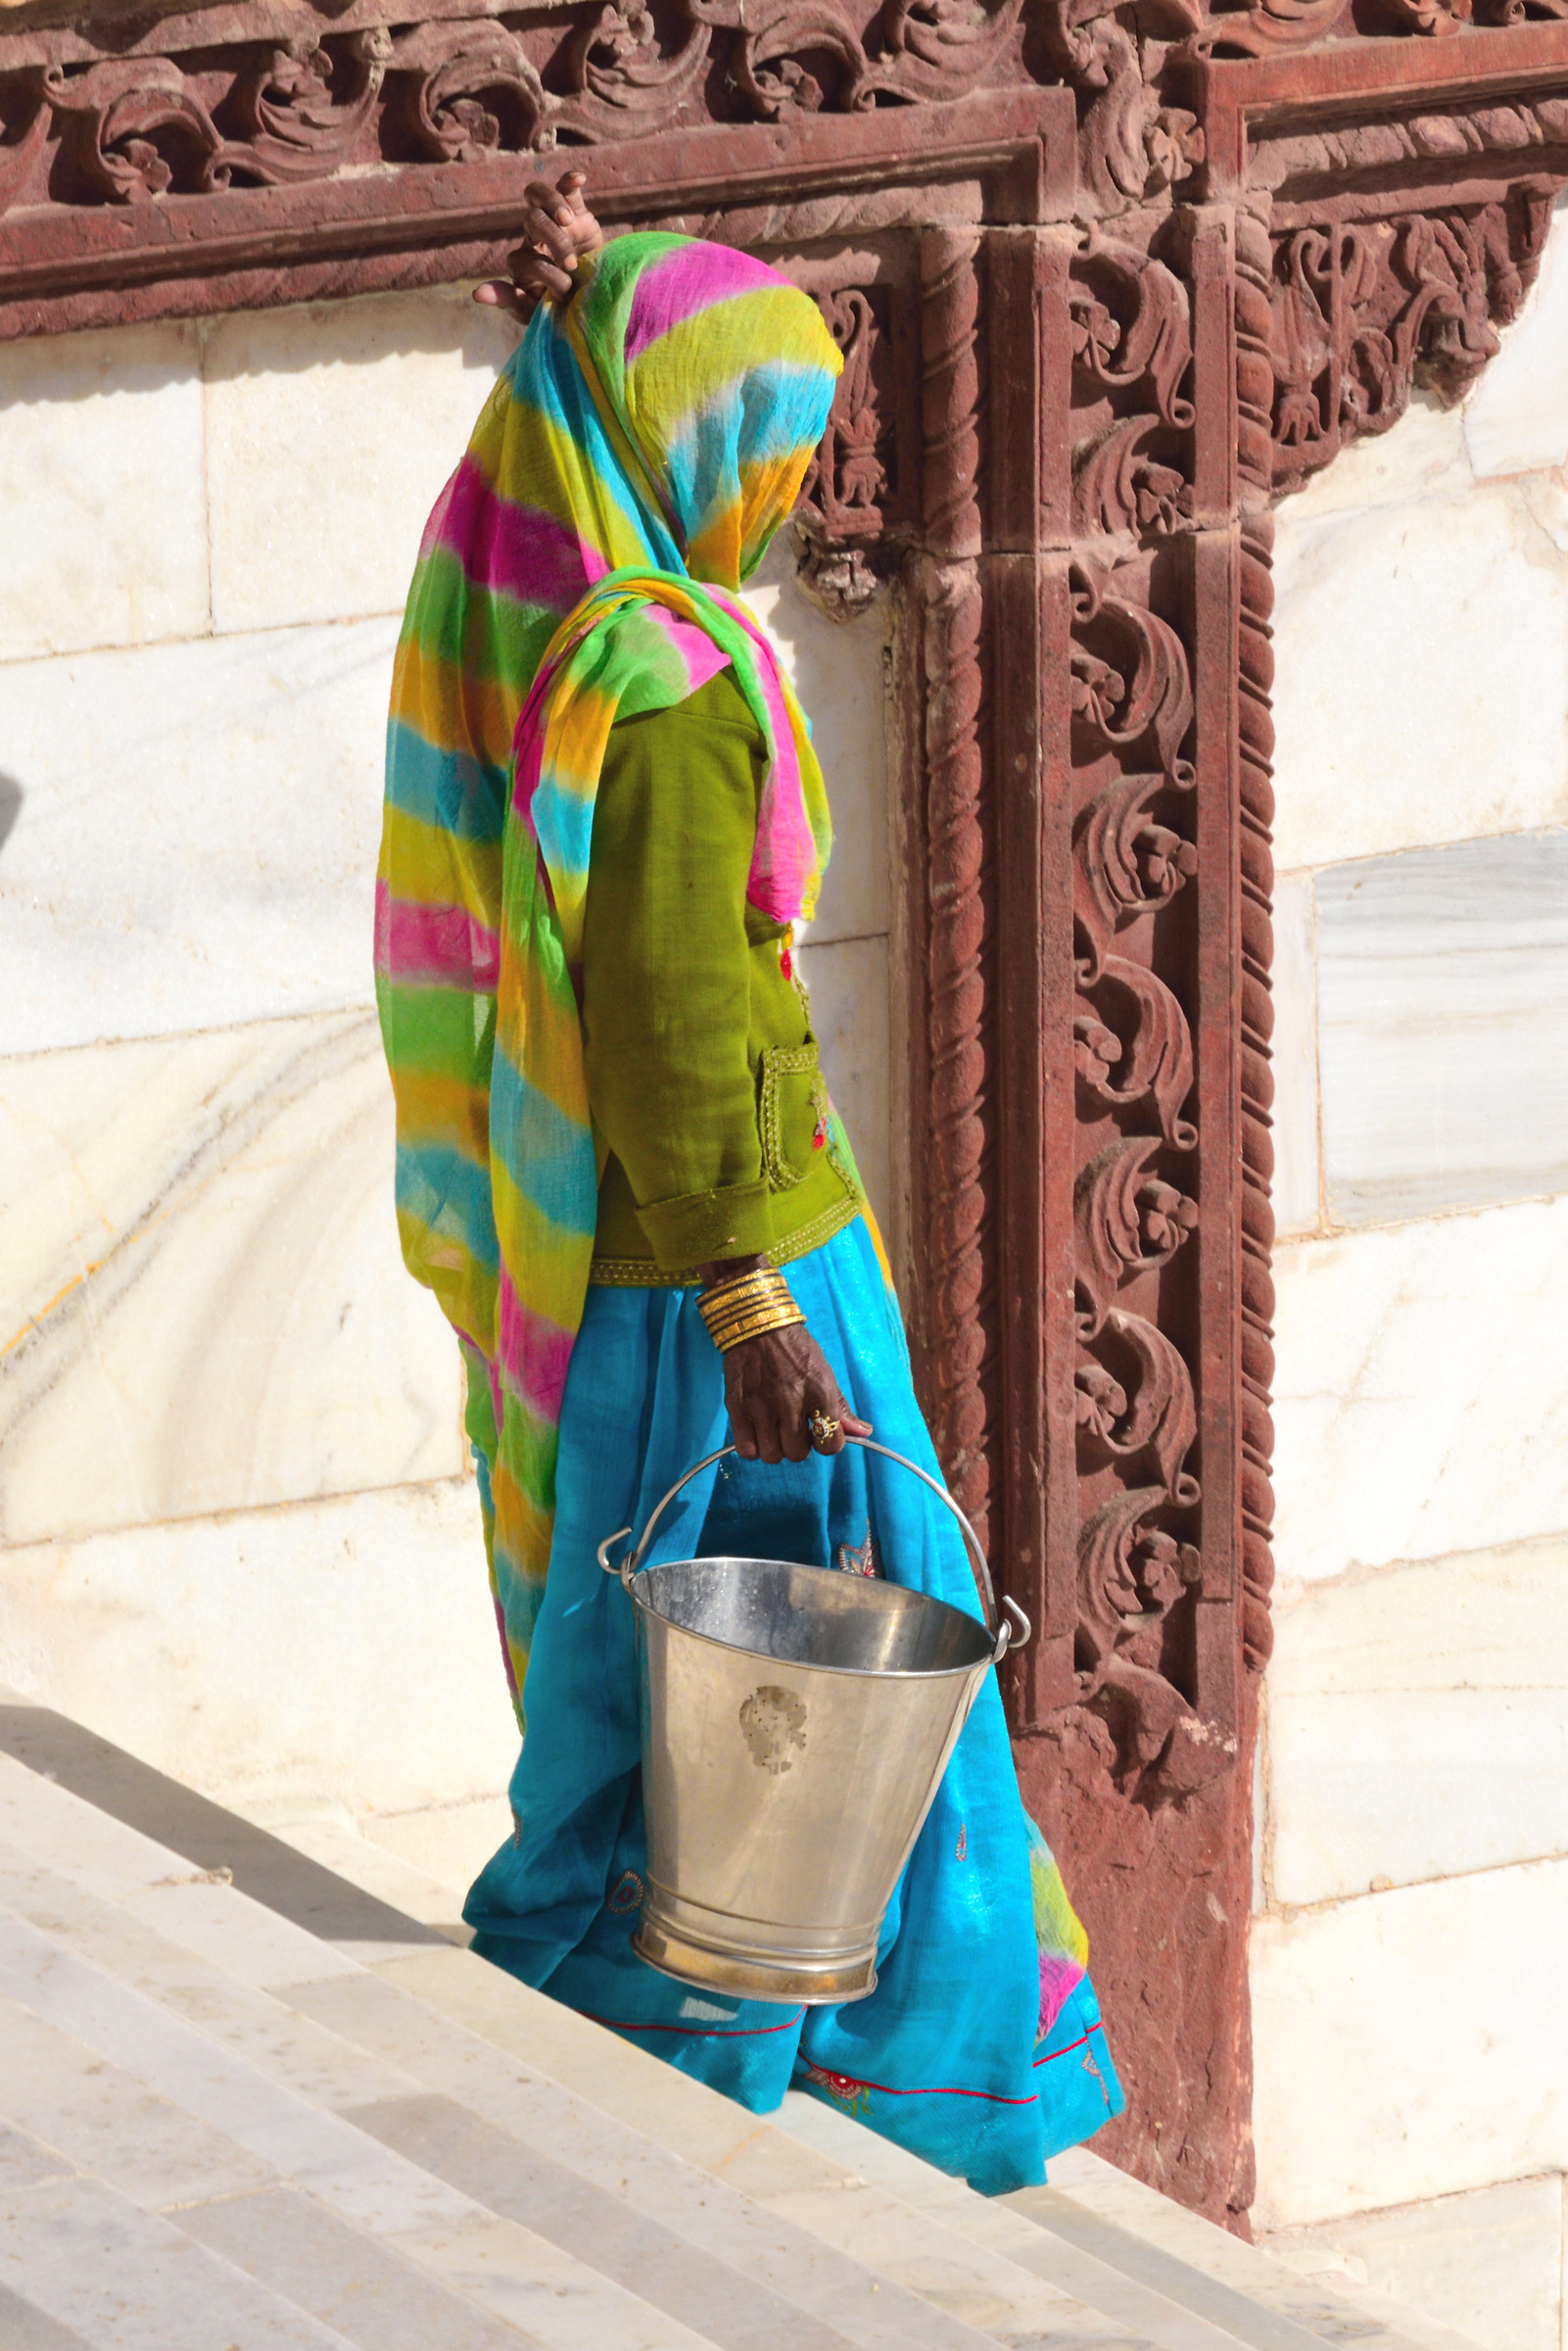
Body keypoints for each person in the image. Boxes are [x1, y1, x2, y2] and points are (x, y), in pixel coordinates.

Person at [375, 171, 1121, 2196]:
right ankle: (881, 2058)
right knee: (818, 1663)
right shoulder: (681, 685)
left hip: (636, 1263)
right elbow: (680, 1012)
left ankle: (669, 2004)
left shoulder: (564, 640)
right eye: (776, 451)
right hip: (731, 1262)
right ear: (689, 454)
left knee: (661, 1673)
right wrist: (753, 1302)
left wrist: (590, 286)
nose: (794, 498)